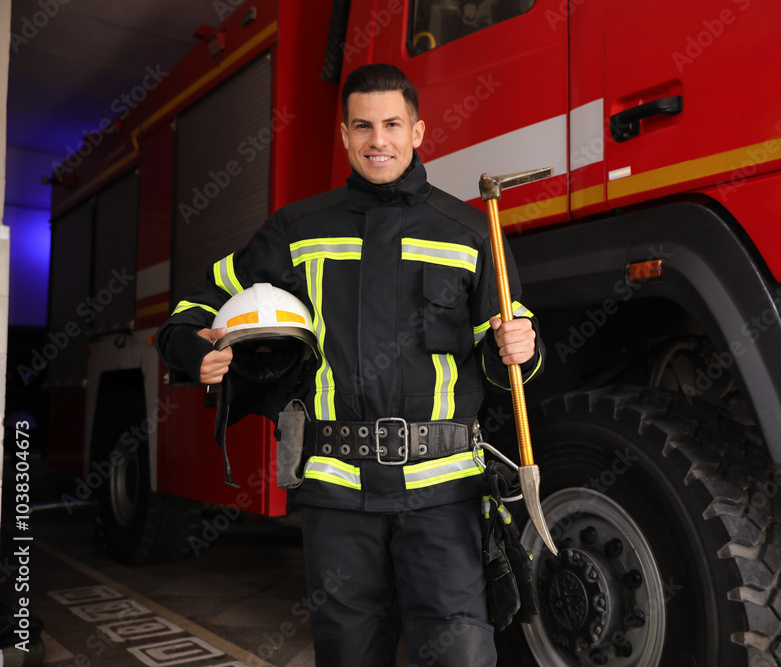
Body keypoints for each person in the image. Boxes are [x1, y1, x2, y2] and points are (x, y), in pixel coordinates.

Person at [155, 63, 543, 666]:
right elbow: (197, 305)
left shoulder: (469, 232)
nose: (377, 139)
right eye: (362, 126)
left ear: (418, 131)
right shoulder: (299, 230)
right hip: (339, 496)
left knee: (461, 656)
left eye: (392, 124)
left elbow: (507, 362)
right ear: (344, 135)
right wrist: (195, 348)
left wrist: (524, 348)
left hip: (443, 496)